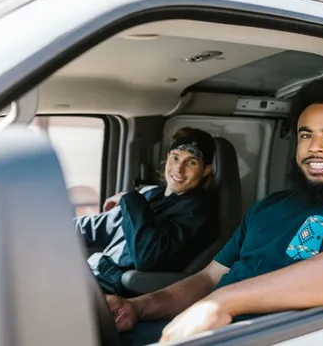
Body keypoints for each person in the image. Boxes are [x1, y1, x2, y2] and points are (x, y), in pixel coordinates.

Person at [107, 76, 323, 344]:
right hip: (186, 329)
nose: (315, 147)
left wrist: (224, 303)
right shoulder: (267, 206)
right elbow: (209, 279)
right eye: (306, 135)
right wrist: (138, 307)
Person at [77, 127, 220, 296]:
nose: (179, 169)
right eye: (175, 158)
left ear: (206, 170)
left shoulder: (197, 212)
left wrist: (129, 199)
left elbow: (147, 257)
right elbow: (97, 227)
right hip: (91, 274)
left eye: (192, 162)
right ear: (167, 158)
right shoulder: (150, 194)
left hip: (115, 289)